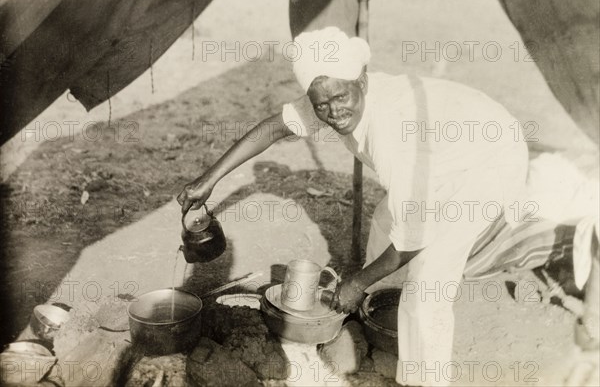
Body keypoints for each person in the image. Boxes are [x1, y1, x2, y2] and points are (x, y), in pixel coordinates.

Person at [177, 26, 531, 386]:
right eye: (322, 105)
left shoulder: (390, 131)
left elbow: (412, 238)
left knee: (429, 286)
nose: (333, 112)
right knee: (383, 221)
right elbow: (272, 130)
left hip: (490, 159)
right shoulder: (332, 87)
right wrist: (209, 179)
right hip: (448, 146)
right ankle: (377, 317)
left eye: (341, 98)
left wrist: (356, 282)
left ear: (362, 81)